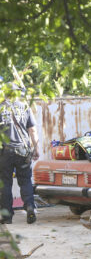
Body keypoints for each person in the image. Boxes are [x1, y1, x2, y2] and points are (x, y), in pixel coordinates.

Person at [0, 82, 40, 224]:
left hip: (5, 151)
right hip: (23, 150)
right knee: (25, 180)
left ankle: (6, 216)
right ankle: (29, 207)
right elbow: (33, 130)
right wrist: (35, 148)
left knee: (5, 183)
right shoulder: (25, 107)